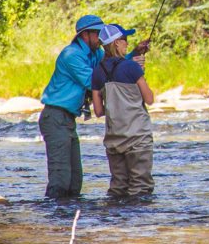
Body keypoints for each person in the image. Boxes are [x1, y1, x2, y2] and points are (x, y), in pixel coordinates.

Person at [39, 15, 149, 199]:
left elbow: (112, 65)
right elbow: (95, 81)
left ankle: (69, 218)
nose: (100, 38)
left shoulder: (95, 53)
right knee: (60, 181)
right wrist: (132, 70)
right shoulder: (71, 55)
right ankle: (54, 223)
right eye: (97, 33)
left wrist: (134, 55)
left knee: (74, 183)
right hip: (55, 117)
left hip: (67, 120)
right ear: (85, 35)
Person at [91, 24, 155, 198]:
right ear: (117, 43)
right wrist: (140, 74)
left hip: (114, 140)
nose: (127, 44)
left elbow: (98, 111)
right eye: (125, 40)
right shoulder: (131, 68)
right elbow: (149, 99)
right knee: (140, 188)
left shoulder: (97, 72)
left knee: (118, 188)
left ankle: (115, 221)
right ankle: (136, 223)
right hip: (138, 137)